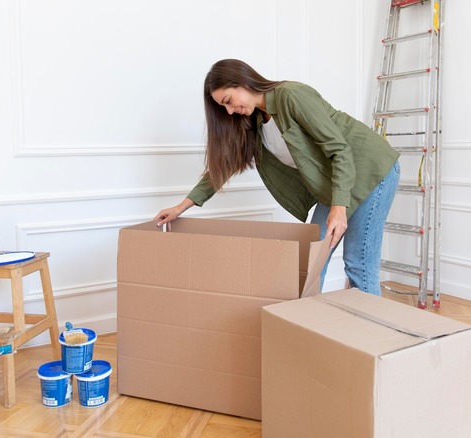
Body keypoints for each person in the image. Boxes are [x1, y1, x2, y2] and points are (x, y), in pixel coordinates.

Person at [154, 59, 400, 295]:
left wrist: (339, 206)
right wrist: (181, 207)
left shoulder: (291, 96)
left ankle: (373, 336)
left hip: (370, 168)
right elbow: (223, 167)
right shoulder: (253, 122)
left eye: (228, 101)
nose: (229, 111)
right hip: (336, 181)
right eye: (223, 107)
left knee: (357, 263)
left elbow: (339, 150)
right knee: (314, 260)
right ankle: (309, 327)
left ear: (243, 82)